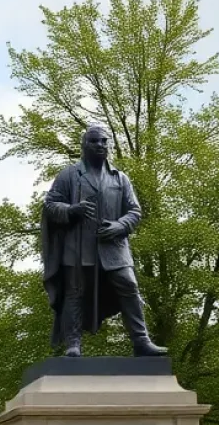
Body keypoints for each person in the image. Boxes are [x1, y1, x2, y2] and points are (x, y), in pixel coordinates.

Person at [41, 125, 166, 357]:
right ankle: (73, 344)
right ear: (84, 146)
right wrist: (72, 210)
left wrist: (120, 225)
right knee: (75, 293)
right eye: (95, 141)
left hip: (114, 248)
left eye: (104, 141)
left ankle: (141, 341)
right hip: (78, 247)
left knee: (129, 286)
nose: (101, 145)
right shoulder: (69, 175)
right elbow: (50, 205)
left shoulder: (120, 178)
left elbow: (134, 211)